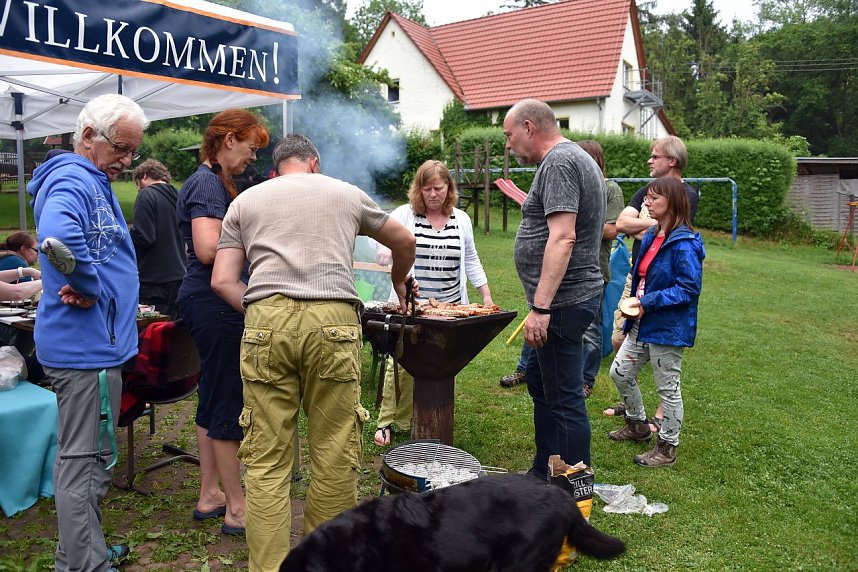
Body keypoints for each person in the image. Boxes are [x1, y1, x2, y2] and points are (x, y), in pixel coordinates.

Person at [211, 133, 415, 571]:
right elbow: (404, 242)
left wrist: (265, 313)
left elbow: (222, 280)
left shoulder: (245, 201)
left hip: (265, 321)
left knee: (266, 462)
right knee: (335, 454)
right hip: (333, 324)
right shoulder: (345, 193)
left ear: (277, 168)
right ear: (314, 163)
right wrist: (399, 280)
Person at [27, 93, 148, 572]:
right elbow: (56, 239)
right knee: (84, 464)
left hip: (92, 347)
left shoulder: (87, 177)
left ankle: (80, 553)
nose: (127, 160)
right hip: (85, 352)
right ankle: (86, 566)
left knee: (89, 459)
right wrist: (90, 285)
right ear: (89, 135)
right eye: (121, 148)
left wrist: (91, 281)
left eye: (133, 150)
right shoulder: (73, 179)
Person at [175, 109, 269, 537]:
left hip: (205, 302)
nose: (253, 156)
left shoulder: (217, 182)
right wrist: (260, 241)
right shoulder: (207, 184)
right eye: (251, 147)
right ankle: (237, 508)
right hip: (214, 303)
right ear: (228, 140)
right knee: (229, 397)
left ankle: (210, 494)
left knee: (212, 395)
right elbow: (208, 248)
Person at [503, 99, 605, 476]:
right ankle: (544, 470)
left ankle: (574, 492)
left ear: (529, 127)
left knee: (564, 399)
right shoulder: (573, 157)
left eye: (510, 135)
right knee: (540, 382)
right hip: (568, 298)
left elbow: (563, 237)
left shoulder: (560, 162)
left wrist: (541, 308)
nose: (509, 145)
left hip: (562, 303)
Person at [372, 159, 493, 446]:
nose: (433, 194)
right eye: (427, 189)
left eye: (438, 188)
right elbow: (379, 234)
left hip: (450, 308)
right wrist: (384, 249)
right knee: (402, 361)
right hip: (412, 306)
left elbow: (471, 258)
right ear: (419, 189)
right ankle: (387, 421)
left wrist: (486, 294)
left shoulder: (461, 220)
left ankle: (429, 416)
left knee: (441, 363)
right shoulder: (405, 214)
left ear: (448, 188)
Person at [607, 177, 705, 467]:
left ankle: (667, 448)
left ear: (672, 203)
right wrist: (635, 304)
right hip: (641, 322)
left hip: (667, 327)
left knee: (668, 388)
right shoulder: (651, 235)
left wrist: (647, 303)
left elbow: (688, 288)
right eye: (647, 198)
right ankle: (638, 425)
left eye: (653, 199)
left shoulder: (684, 243)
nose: (646, 203)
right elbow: (642, 277)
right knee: (620, 372)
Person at [577, 140, 625, 398]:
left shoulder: (610, 189)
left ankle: (586, 380)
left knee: (591, 329)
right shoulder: (574, 187)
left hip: (595, 270)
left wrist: (576, 223)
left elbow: (612, 230)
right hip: (566, 268)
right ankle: (526, 369)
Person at [131, 159, 187, 319]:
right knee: (173, 327)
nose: (138, 188)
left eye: (137, 183)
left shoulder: (146, 194)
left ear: (144, 176)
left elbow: (144, 236)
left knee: (152, 327)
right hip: (179, 275)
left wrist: (125, 236)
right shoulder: (178, 196)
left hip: (154, 279)